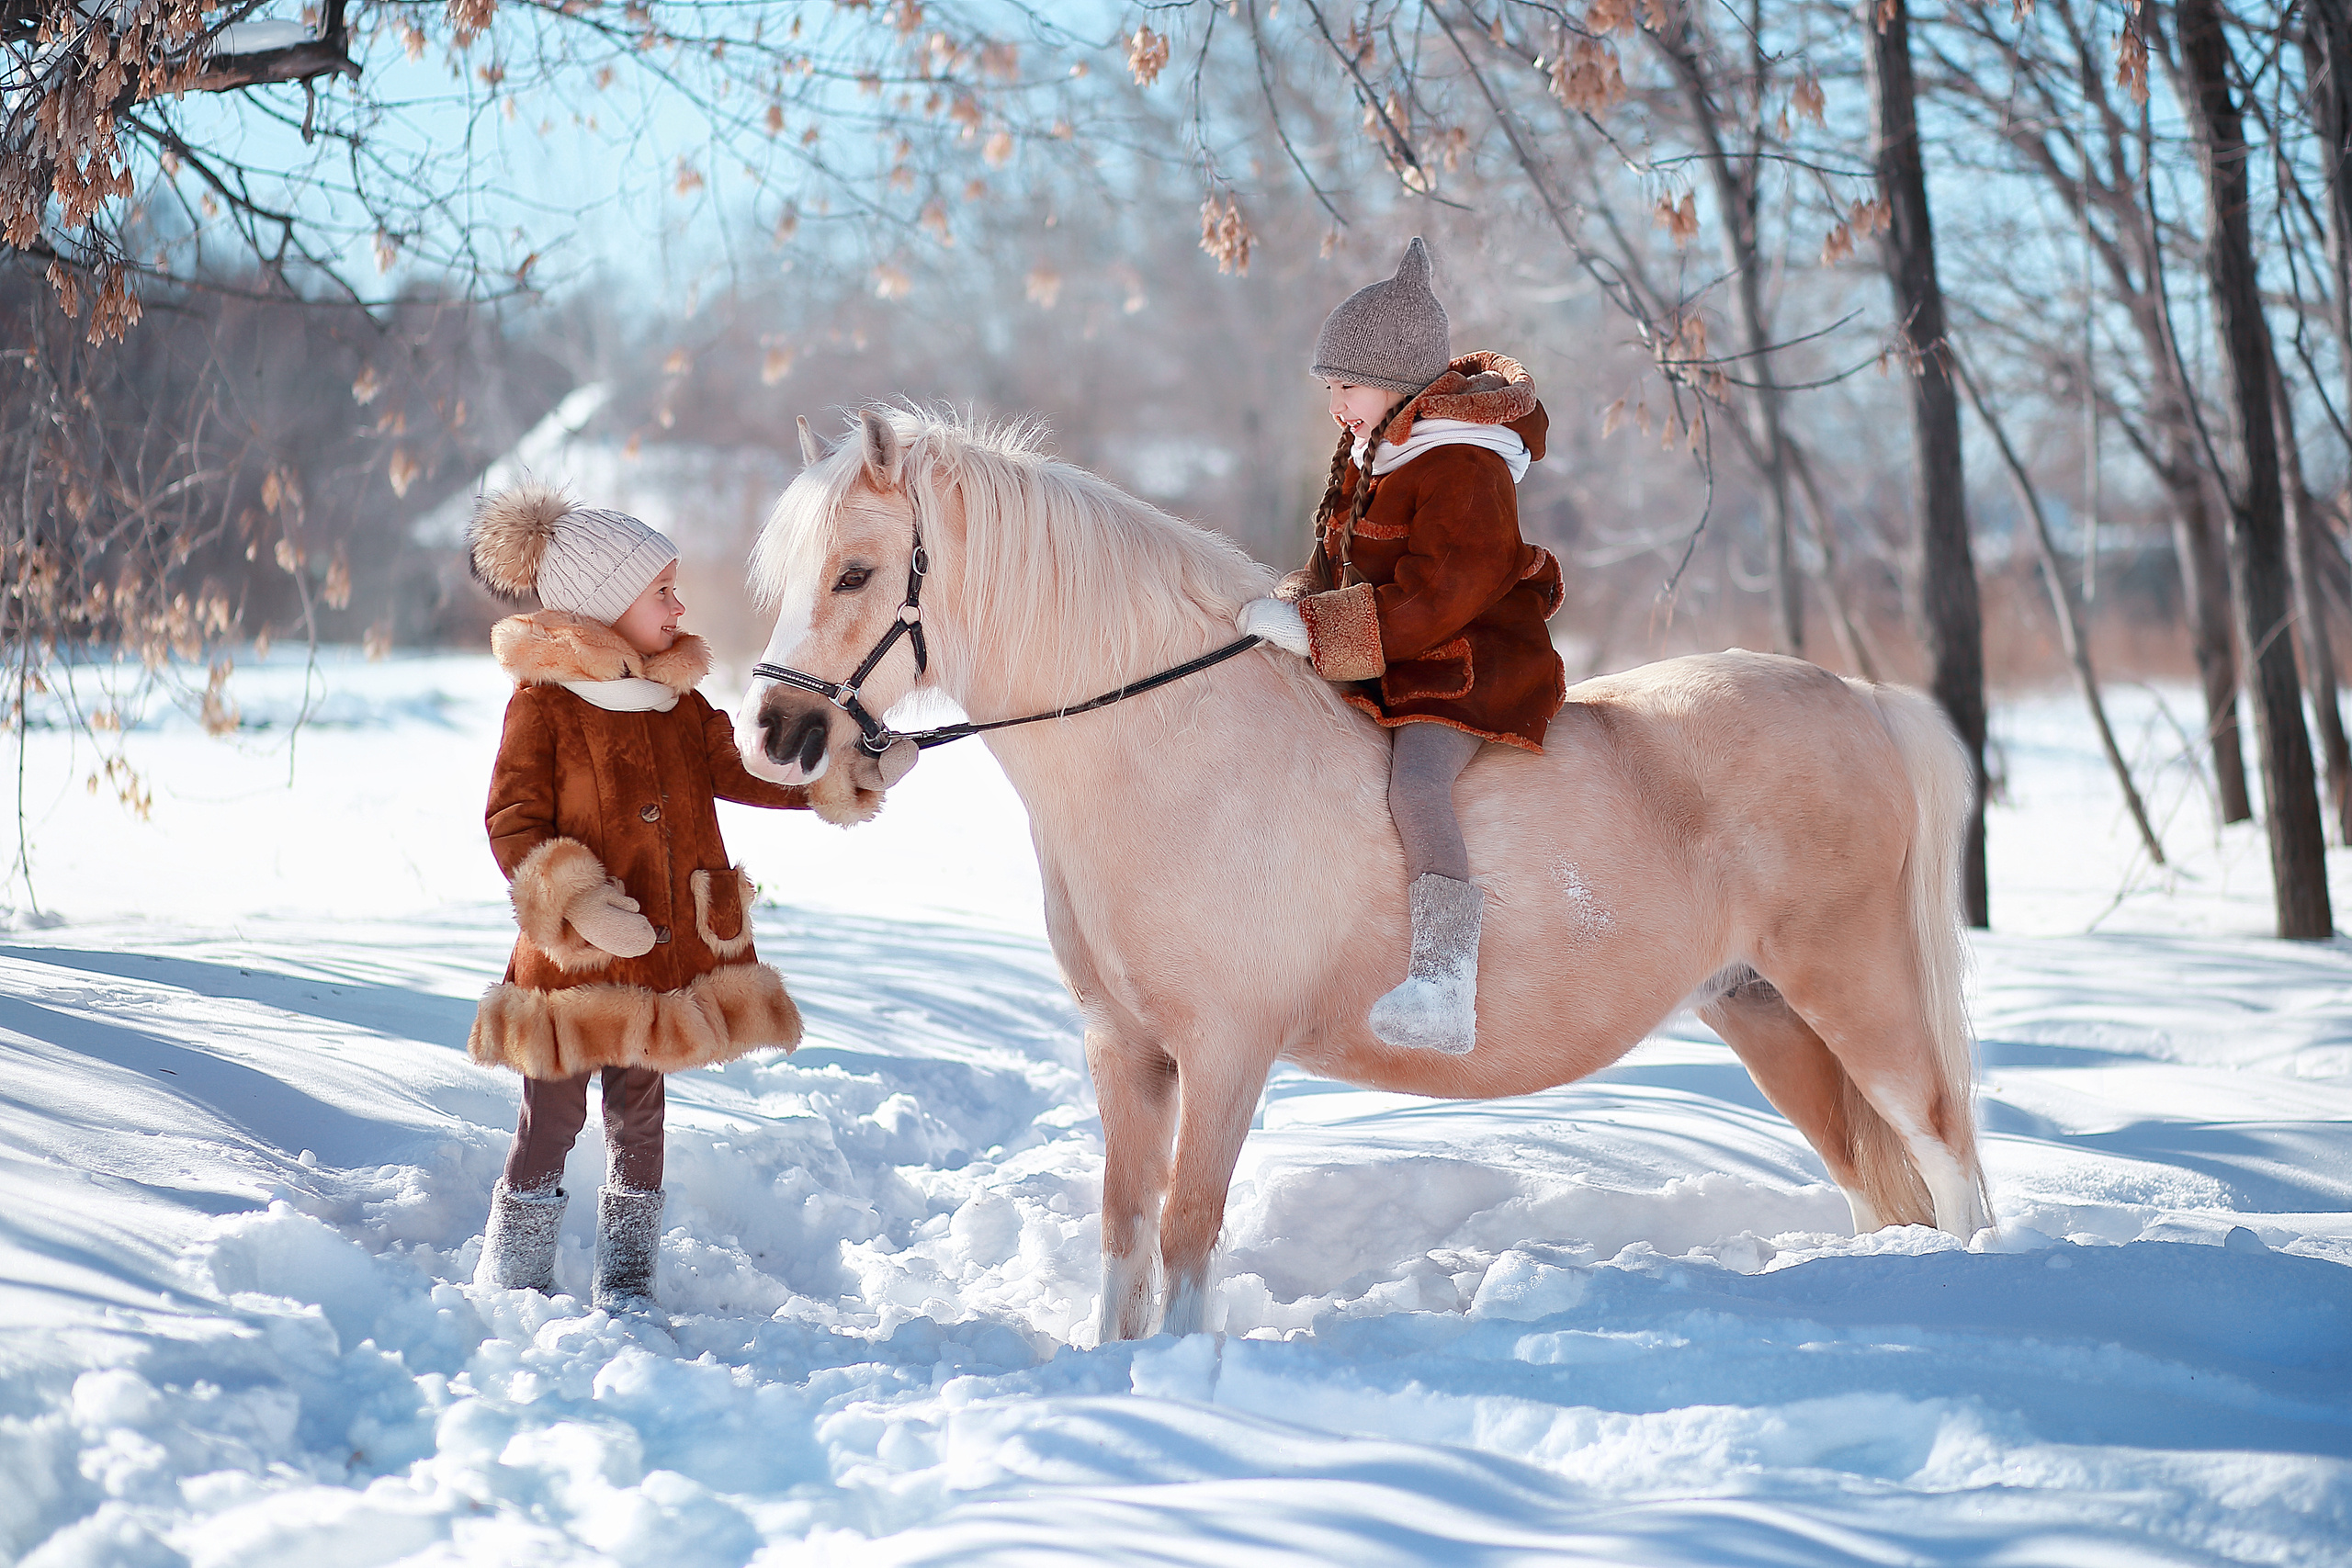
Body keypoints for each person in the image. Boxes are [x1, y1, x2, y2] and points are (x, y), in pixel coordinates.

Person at [463, 482, 811, 1319]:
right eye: (661, 590)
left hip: (658, 955)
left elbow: (745, 774)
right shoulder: (544, 703)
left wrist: (836, 771)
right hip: (573, 964)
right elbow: (511, 817)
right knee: (550, 1121)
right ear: (605, 602)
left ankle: (626, 1285)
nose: (678, 604)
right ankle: (514, 1278)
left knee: (641, 1120)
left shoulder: (680, 703)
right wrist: (574, 900)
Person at [1238, 237, 1566, 1056]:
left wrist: (1322, 633)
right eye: (1329, 387)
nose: (1334, 404)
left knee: (1416, 787)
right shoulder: (1374, 451)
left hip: (1465, 663)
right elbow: (1332, 559)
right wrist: (1290, 606)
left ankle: (1445, 982)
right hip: (1395, 657)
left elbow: (1441, 593)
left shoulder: (1461, 464)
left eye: (1344, 385)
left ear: (1391, 380)